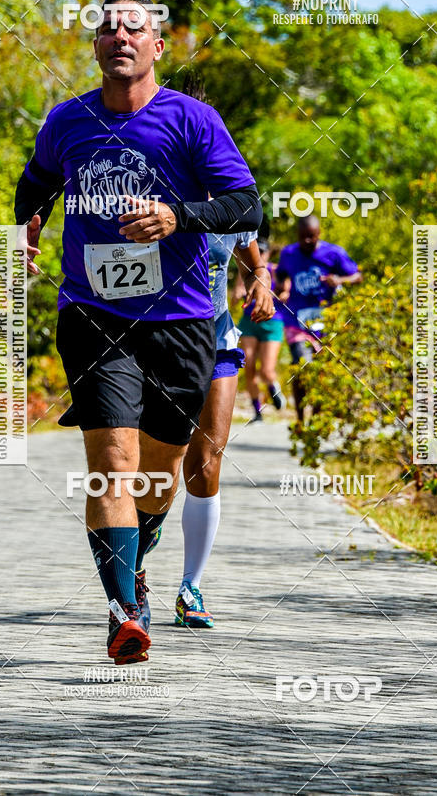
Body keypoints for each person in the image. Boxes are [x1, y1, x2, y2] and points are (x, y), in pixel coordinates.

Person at [14, 0, 262, 665]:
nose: (119, 37)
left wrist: (179, 216)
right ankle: (125, 614)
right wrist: (25, 228)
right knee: (111, 464)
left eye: (135, 29)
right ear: (96, 45)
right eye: (107, 29)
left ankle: (141, 547)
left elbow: (246, 204)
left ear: (157, 46)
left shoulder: (193, 121)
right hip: (92, 315)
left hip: (181, 322)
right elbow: (34, 181)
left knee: (158, 474)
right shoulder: (67, 122)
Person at [172, 232, 274, 627]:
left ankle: (189, 587)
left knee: (207, 460)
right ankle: (137, 558)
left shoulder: (232, 204)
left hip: (216, 341)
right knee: (155, 470)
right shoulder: (155, 188)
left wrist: (260, 283)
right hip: (156, 344)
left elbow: (253, 263)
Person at [274, 215, 361, 422]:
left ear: (319, 234)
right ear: (297, 235)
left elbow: (358, 276)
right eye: (303, 237)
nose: (306, 241)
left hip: (325, 321)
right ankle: (300, 418)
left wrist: (339, 279)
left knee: (321, 371)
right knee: (302, 364)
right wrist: (282, 286)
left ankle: (316, 419)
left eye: (311, 237)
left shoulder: (334, 253)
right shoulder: (289, 253)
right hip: (296, 320)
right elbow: (281, 273)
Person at [236, 238, 286, 422]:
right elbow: (236, 295)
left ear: (268, 253)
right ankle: (257, 411)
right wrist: (239, 295)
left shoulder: (275, 270)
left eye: (263, 252)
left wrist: (276, 294)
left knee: (266, 370)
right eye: (259, 251)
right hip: (249, 321)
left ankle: (273, 388)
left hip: (272, 322)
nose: (261, 255)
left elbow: (286, 292)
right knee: (248, 365)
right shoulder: (246, 270)